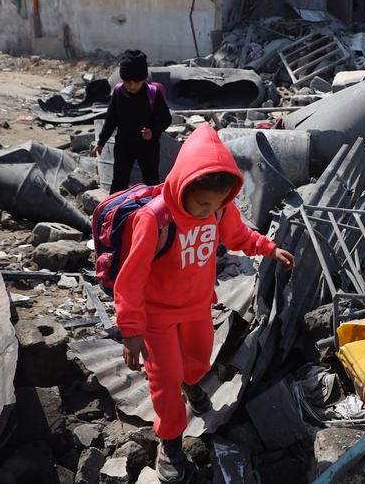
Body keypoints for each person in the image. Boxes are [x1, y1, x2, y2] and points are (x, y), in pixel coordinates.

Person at [114, 124, 296, 482]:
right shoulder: (154, 219)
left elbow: (238, 235)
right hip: (157, 316)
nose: (207, 211)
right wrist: (131, 330)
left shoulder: (218, 210)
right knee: (165, 379)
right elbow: (130, 278)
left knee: (198, 360)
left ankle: (190, 382)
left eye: (216, 204)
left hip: (197, 305)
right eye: (201, 203)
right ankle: (169, 442)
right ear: (183, 185)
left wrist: (268, 248)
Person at [91, 50, 171, 192]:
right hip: (124, 145)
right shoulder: (118, 93)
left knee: (151, 179)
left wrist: (153, 132)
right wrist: (101, 142)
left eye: (136, 82)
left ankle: (152, 204)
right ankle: (114, 205)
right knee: (119, 181)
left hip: (148, 146)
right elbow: (111, 119)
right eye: (127, 81)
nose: (132, 86)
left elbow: (166, 119)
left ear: (143, 79)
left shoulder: (153, 94)